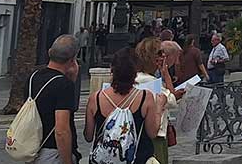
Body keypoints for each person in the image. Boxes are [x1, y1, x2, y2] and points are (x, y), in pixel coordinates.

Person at [85, 48, 160, 164]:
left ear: (112, 70)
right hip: (138, 158)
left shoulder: (95, 98)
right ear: (135, 72)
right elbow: (152, 133)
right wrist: (159, 107)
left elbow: (88, 136)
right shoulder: (145, 97)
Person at [30, 34, 80, 164]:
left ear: (49, 52)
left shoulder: (33, 77)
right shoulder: (64, 85)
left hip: (33, 148)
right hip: (53, 152)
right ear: (72, 60)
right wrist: (67, 161)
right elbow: (61, 130)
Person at [134, 36, 177, 163]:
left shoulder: (135, 78)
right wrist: (166, 74)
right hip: (155, 134)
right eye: (160, 53)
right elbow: (172, 100)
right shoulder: (151, 82)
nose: (163, 56)